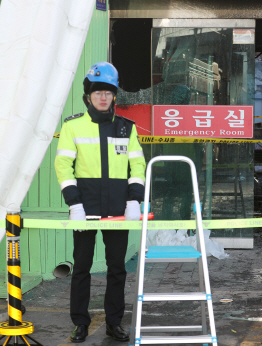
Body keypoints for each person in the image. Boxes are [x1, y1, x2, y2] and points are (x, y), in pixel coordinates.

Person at [55, 62, 146, 343]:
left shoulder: (126, 129)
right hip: (85, 209)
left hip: (119, 212)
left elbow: (138, 166)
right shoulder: (72, 127)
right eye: (97, 92)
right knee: (81, 268)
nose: (103, 97)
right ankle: (80, 323)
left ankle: (114, 323)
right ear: (88, 96)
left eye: (108, 92)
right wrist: (75, 204)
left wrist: (134, 201)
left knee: (117, 269)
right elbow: (63, 166)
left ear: (115, 95)